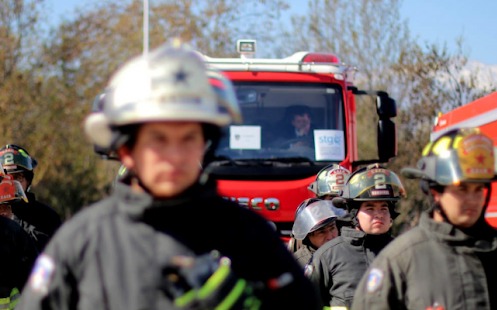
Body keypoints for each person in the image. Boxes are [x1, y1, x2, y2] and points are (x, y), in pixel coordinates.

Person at [18, 39, 322, 310]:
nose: (175, 156)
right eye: (158, 140)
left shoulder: (251, 237)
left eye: (189, 138)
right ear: (126, 150)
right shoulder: (82, 241)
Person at [352, 127, 497, 310]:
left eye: (479, 189)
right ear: (435, 192)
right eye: (462, 189)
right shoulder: (400, 260)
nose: (473, 199)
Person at [309, 163, 405, 308]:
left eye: (384, 208)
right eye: (370, 208)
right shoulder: (327, 257)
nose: (378, 214)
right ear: (354, 213)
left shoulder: (405, 253)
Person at [0, 144, 62, 252]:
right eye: (4, 178)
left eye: (17, 177)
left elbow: (55, 256)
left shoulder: (47, 217)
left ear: (28, 180)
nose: (10, 184)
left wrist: (13, 220)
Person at [0, 165, 39, 310]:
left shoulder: (17, 235)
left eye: (7, 208)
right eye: (0, 208)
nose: (4, 213)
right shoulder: (16, 233)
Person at [291, 198, 345, 270]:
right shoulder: (298, 265)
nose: (330, 236)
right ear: (308, 237)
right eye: (321, 232)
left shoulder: (349, 252)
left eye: (332, 228)